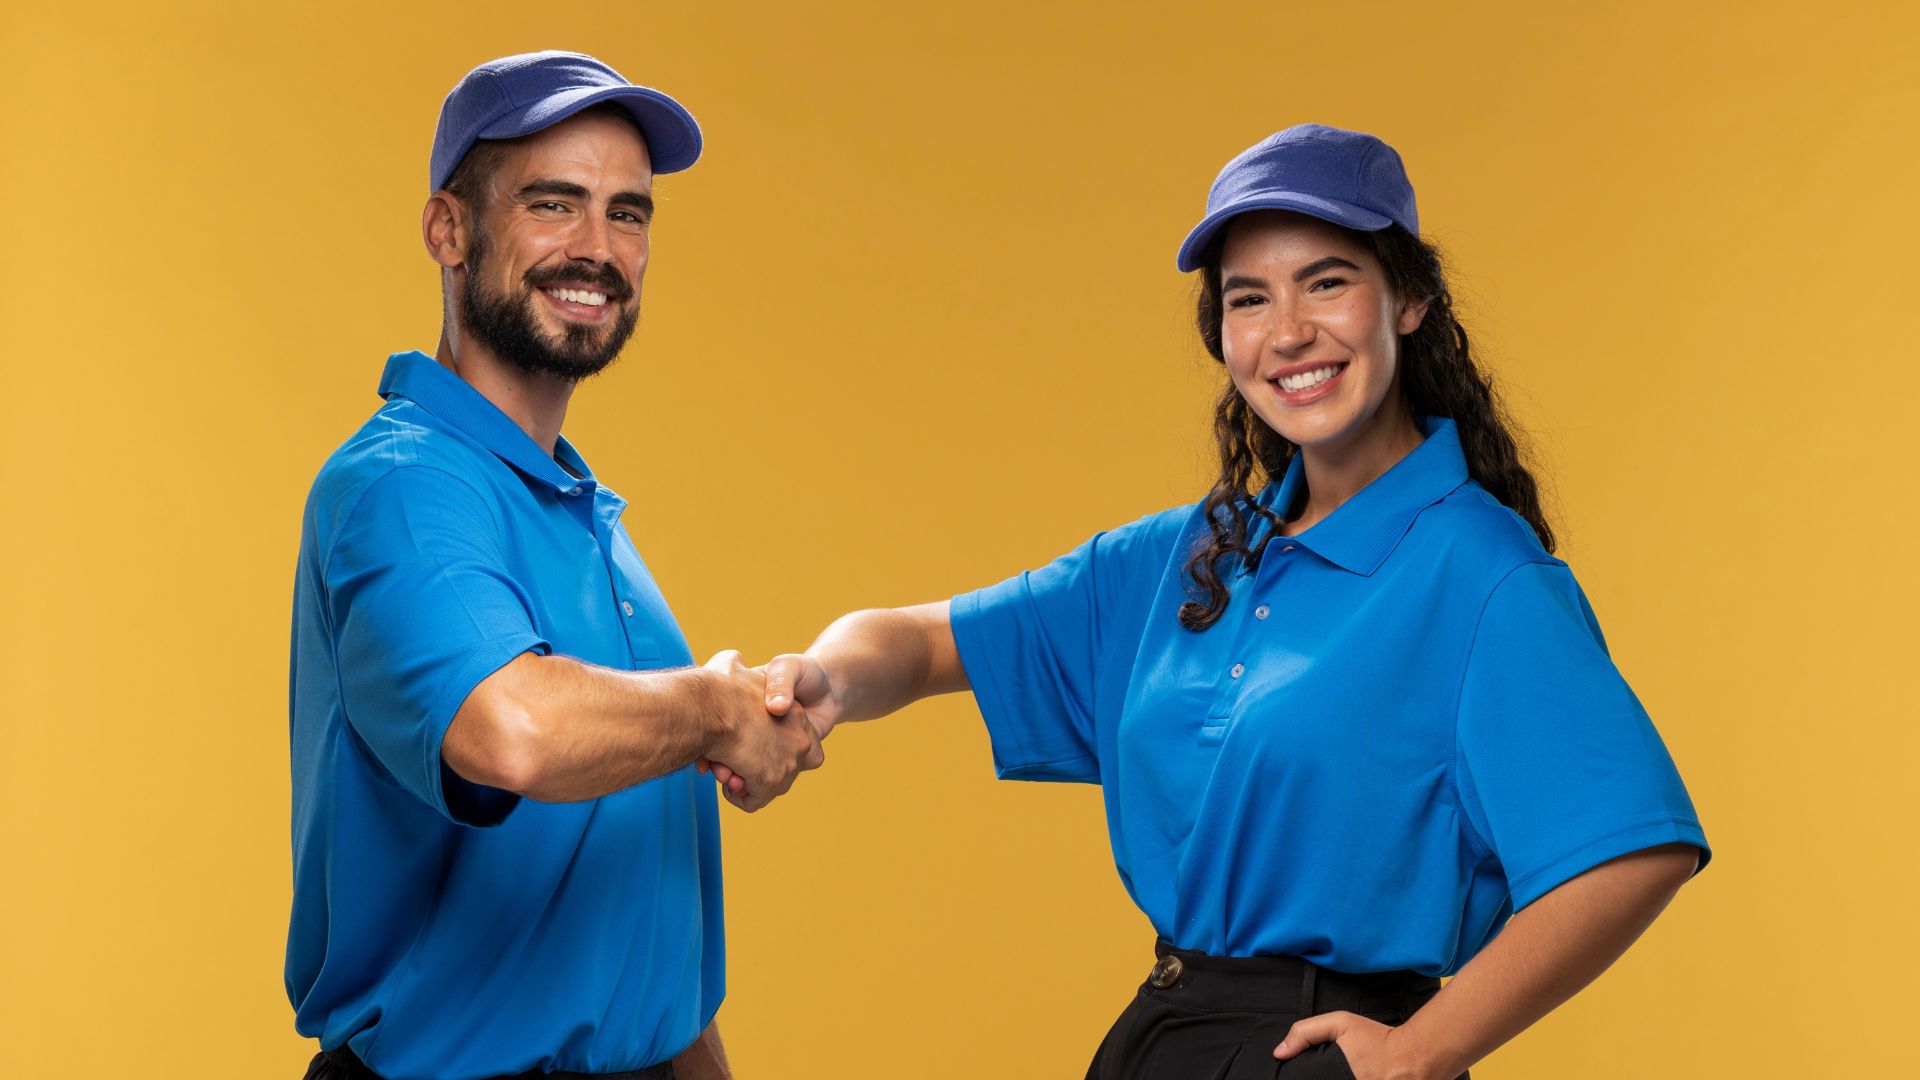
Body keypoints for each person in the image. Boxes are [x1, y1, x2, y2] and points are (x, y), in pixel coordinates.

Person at [729, 124, 1710, 1079]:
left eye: (1327, 282)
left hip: (1317, 1053)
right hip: (1167, 1036)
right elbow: (919, 642)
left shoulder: (1480, 573)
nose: (1288, 333)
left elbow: (1634, 848)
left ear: (1409, 299)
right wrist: (821, 682)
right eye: (1250, 299)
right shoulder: (1191, 555)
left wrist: (1421, 1050)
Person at [286, 51, 823, 1080]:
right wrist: (717, 709)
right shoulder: (405, 487)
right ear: (449, 230)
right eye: (553, 203)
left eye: (628, 214)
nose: (598, 249)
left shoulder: (577, 510)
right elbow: (515, 730)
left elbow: (631, 924)